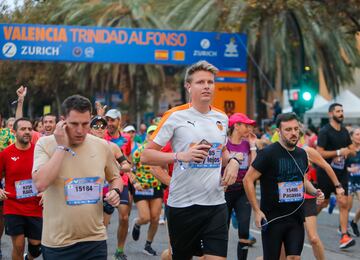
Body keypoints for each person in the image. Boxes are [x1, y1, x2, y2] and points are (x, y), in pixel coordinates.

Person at [141, 60, 239, 260]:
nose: (206, 86)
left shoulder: (222, 117)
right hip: (183, 205)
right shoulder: (174, 116)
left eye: (210, 82)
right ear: (188, 86)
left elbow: (223, 151)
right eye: (200, 82)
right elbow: (146, 156)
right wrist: (180, 156)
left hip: (216, 203)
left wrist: (233, 162)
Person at [32, 95, 123, 259]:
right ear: (62, 121)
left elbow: (115, 178)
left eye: (85, 124)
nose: (80, 130)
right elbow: (40, 184)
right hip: (58, 244)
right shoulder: (45, 144)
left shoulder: (102, 146)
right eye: (74, 124)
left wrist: (115, 191)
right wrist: (61, 147)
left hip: (95, 240)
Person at [243, 113, 324, 260]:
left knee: (294, 257)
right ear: (278, 132)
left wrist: (315, 191)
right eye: (288, 129)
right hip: (273, 219)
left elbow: (303, 180)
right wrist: (256, 210)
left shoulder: (302, 154)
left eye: (295, 129)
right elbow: (248, 180)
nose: (293, 133)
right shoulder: (268, 154)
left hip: (296, 218)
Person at [89, 116, 131, 260]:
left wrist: (119, 167)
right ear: (90, 129)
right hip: (95, 189)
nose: (100, 129)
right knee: (101, 224)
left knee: (123, 217)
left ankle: (119, 250)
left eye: (103, 126)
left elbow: (127, 165)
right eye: (96, 126)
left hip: (115, 185)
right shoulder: (85, 146)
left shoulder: (112, 146)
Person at [0, 118, 43, 260]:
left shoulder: (39, 152)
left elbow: (47, 175)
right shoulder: (5, 154)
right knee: (18, 246)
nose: (27, 132)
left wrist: (46, 191)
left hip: (35, 206)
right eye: (23, 129)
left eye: (30, 129)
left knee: (36, 248)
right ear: (14, 132)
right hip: (13, 206)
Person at [316, 103, 356, 249]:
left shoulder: (345, 131)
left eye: (342, 111)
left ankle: (344, 235)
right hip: (326, 172)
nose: (341, 113)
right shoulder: (325, 131)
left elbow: (352, 149)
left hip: (341, 172)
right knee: (323, 203)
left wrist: (348, 151)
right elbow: (319, 152)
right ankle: (305, 220)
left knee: (343, 201)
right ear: (330, 114)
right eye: (338, 111)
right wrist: (338, 152)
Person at [225, 113, 257, 260]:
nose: (249, 128)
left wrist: (252, 146)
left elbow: (254, 168)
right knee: (221, 231)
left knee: (244, 231)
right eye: (246, 125)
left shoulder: (246, 144)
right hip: (225, 191)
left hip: (242, 191)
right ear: (236, 126)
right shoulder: (224, 143)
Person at [130, 125, 164, 256]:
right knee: (145, 217)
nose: (153, 135)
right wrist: (135, 183)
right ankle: (138, 223)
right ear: (147, 135)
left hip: (156, 187)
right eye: (151, 133)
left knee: (155, 218)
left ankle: (148, 245)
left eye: (156, 133)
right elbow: (130, 170)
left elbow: (165, 167)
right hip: (142, 187)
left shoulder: (160, 151)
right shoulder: (138, 151)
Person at [347, 127, 360, 237]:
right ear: (352, 136)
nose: (359, 136)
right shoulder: (348, 150)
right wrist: (349, 169)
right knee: (348, 206)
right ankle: (343, 227)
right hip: (349, 180)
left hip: (359, 181)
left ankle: (354, 222)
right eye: (357, 134)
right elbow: (341, 166)